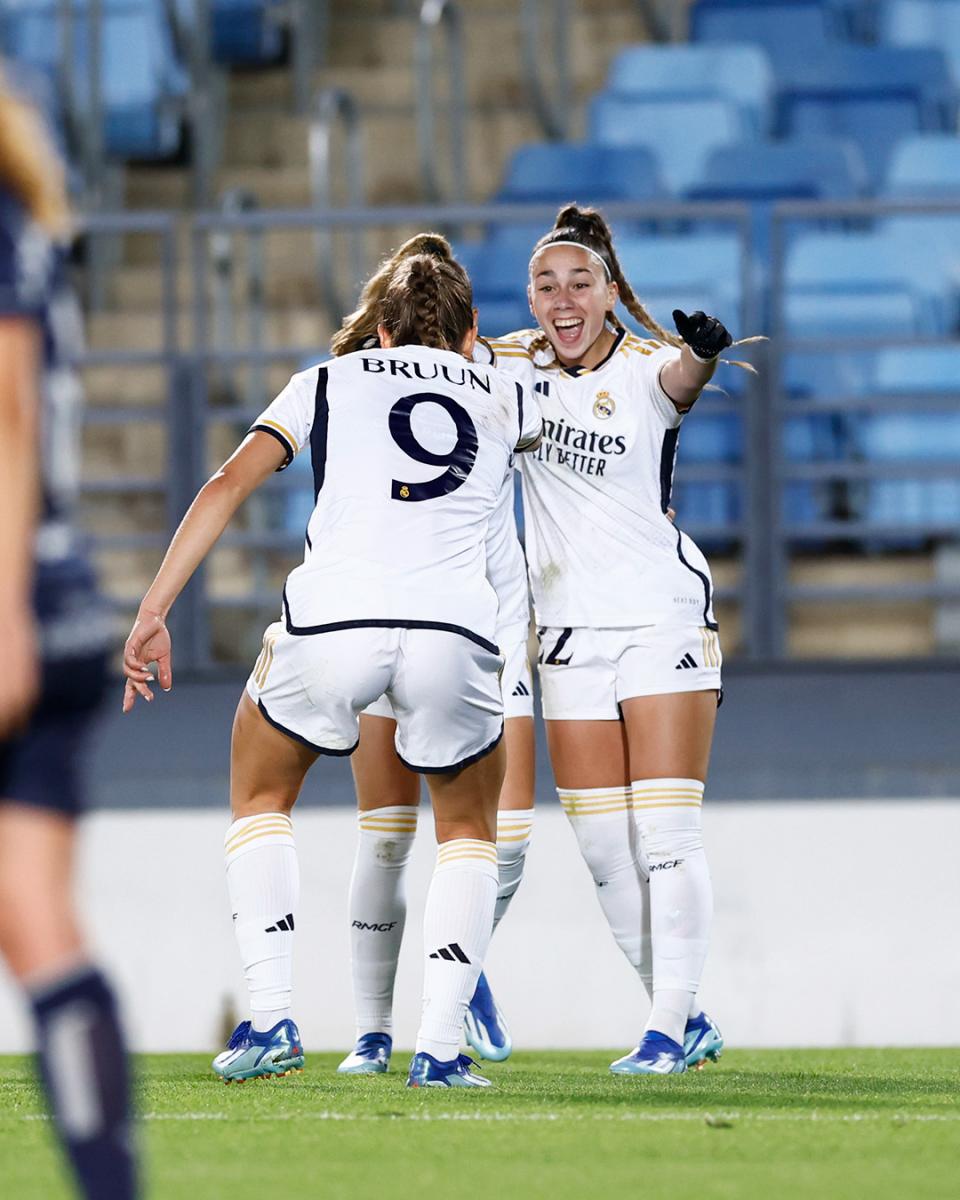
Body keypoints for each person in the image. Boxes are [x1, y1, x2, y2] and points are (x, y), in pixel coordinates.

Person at [121, 249, 542, 1089]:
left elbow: (226, 483)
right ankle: (441, 1048)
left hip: (334, 620)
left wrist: (154, 609)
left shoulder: (327, 380)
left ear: (379, 330)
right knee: (466, 829)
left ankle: (274, 1016)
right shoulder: (505, 395)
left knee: (261, 793)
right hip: (455, 631)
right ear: (470, 337)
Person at [479, 204, 758, 1076]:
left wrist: (705, 352)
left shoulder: (645, 370)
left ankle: (666, 1030)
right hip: (565, 635)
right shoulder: (511, 366)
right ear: (530, 295)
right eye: (545, 284)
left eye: (579, 283)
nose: (562, 300)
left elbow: (684, 380)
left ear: (609, 294)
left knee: (667, 835)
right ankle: (687, 1014)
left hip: (659, 618)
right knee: (605, 851)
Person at [325, 235, 536, 1076]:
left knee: (501, 841)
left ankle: (461, 969)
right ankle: (380, 1032)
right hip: (431, 620)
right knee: (397, 837)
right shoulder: (496, 387)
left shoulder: (493, 382)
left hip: (485, 625)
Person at [0, 72, 137, 1195]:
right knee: (36, 918)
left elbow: (5, 421)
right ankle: (107, 1182)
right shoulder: (32, 226)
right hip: (63, 599)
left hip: (17, 609)